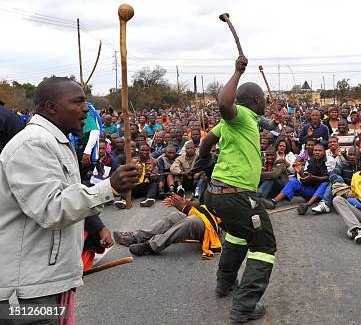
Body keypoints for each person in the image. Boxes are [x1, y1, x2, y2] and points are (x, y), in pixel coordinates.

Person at [0, 77, 138, 324]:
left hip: (46, 282)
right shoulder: (33, 144)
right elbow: (52, 208)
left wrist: (94, 227)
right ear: (52, 107)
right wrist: (109, 187)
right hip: (27, 291)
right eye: (78, 102)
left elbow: (70, 194)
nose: (87, 109)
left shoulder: (56, 142)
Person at [198, 56, 276, 322]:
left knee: (237, 236)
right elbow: (223, 103)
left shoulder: (242, 121)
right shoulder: (239, 115)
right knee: (264, 246)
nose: (265, 102)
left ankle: (224, 284)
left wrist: (204, 162)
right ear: (255, 100)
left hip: (219, 194)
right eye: (263, 98)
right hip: (238, 196)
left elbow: (207, 140)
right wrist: (237, 72)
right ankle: (244, 307)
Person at [114, 193, 222, 259]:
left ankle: (151, 246)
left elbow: (218, 217)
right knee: (174, 216)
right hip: (205, 218)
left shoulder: (232, 192)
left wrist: (186, 208)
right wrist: (184, 203)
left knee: (191, 221)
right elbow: (203, 206)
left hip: (217, 230)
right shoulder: (212, 186)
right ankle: (136, 237)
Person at [265, 144, 330, 214]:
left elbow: (328, 178)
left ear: (324, 152)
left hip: (323, 193)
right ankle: (273, 201)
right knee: (293, 182)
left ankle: (306, 205)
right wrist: (300, 173)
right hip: (311, 191)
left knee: (325, 184)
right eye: (315, 150)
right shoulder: (310, 161)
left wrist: (313, 177)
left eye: (320, 150)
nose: (317, 152)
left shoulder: (329, 160)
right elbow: (306, 179)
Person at [311, 146, 361, 214]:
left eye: (354, 155)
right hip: (342, 191)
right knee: (334, 181)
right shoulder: (343, 164)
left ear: (359, 156)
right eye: (350, 154)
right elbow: (332, 174)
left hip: (357, 194)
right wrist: (340, 183)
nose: (352, 157)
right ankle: (325, 204)